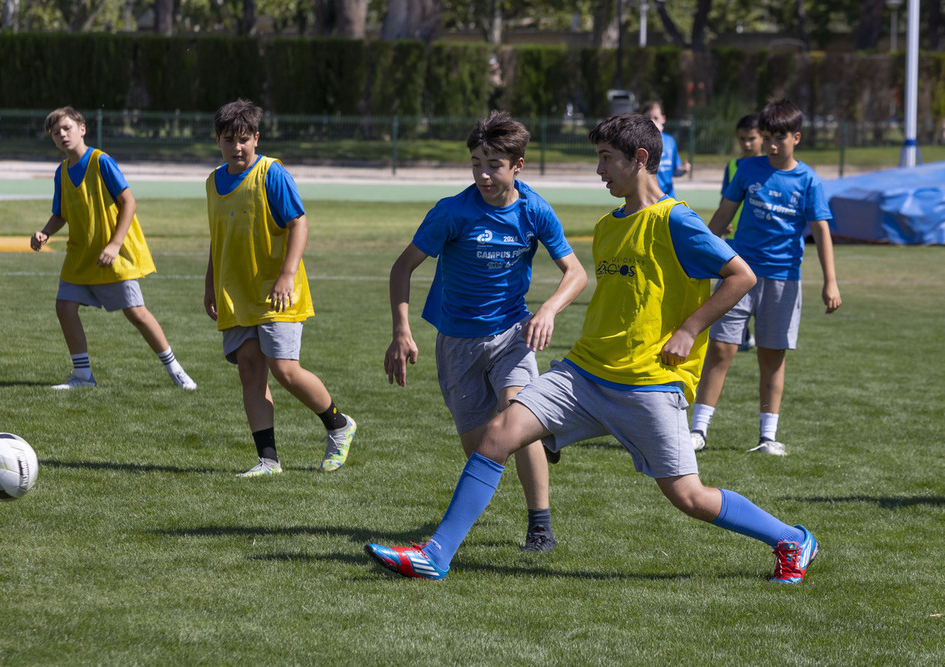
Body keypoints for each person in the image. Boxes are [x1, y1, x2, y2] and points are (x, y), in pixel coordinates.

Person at [366, 112, 819, 585]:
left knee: (689, 496)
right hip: (583, 374)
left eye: (606, 159)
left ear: (640, 159)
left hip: (648, 383)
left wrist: (689, 329)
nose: (599, 170)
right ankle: (436, 555)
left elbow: (741, 275)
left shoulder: (676, 220)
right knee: (498, 434)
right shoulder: (607, 226)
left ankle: (791, 539)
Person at [385, 111, 587, 552]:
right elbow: (403, 267)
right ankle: (523, 458)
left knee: (518, 417)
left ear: (517, 166)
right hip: (457, 341)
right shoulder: (452, 212)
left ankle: (540, 526)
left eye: (493, 164)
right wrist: (402, 330)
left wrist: (548, 310)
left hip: (513, 333)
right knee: (482, 446)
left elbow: (575, 272)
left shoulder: (535, 211)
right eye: (476, 162)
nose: (483, 174)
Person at [203, 99, 356, 476]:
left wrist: (287, 274)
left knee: (285, 369)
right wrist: (210, 284)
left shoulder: (272, 173)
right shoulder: (212, 181)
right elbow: (217, 238)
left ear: (256, 138)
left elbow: (298, 223)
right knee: (251, 373)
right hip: (236, 293)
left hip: (277, 291)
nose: (236, 147)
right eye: (228, 139)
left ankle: (339, 425)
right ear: (217, 140)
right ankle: (268, 461)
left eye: (243, 139)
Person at [689, 99, 841, 456]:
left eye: (780, 139)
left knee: (772, 357)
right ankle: (697, 431)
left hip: (784, 280)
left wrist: (830, 281)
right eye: (768, 138)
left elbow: (821, 231)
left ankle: (767, 437)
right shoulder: (747, 170)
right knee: (721, 350)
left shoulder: (808, 181)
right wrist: (698, 255)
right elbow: (723, 214)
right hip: (739, 276)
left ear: (797, 138)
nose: (772, 146)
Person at [30, 106, 197, 391]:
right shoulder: (61, 172)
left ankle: (176, 370)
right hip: (81, 255)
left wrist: (115, 244)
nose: (62, 135)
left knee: (136, 313)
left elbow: (129, 201)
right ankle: (83, 377)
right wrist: (45, 232)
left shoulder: (101, 161)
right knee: (64, 307)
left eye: (67, 128)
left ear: (82, 129)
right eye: (56, 133)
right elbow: (60, 213)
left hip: (112, 255)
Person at [722, 113, 764, 352]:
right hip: (735, 240)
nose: (747, 144)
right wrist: (723, 221)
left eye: (752, 138)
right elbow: (725, 200)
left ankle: (750, 333)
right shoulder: (733, 166)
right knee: (734, 287)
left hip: (758, 241)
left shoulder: (770, 166)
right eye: (742, 139)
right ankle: (741, 334)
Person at [641, 100, 690, 199]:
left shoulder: (670, 141)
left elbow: (674, 171)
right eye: (647, 118)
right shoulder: (640, 142)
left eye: (655, 118)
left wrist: (683, 170)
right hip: (648, 198)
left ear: (663, 119)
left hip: (668, 197)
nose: (652, 121)